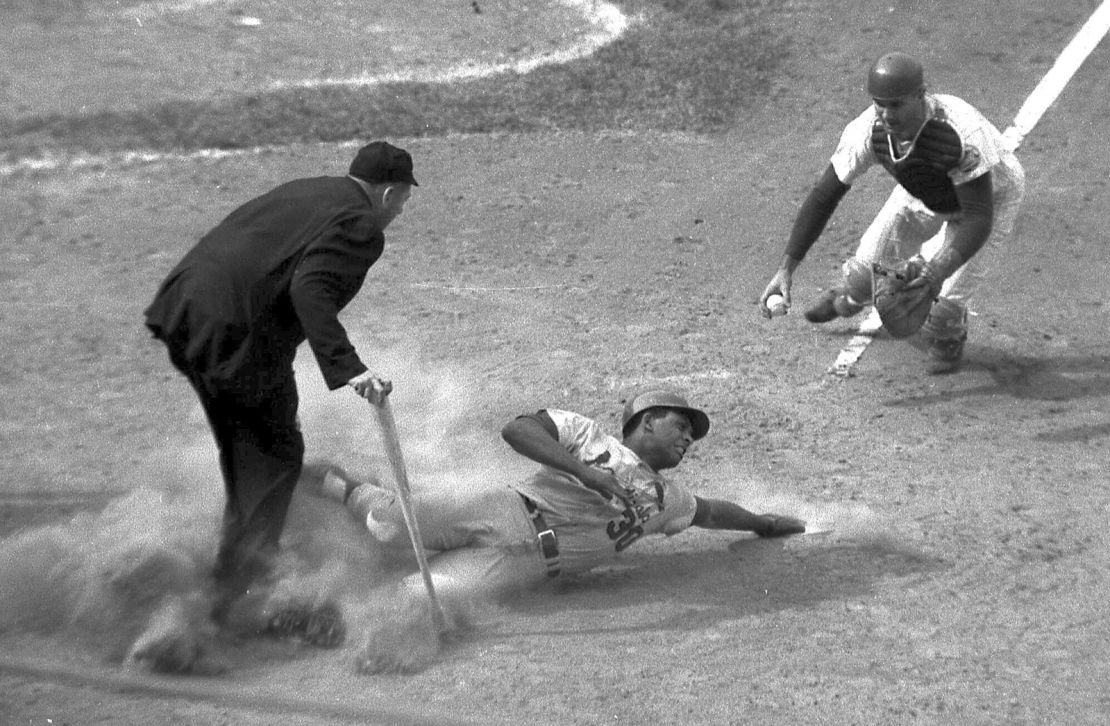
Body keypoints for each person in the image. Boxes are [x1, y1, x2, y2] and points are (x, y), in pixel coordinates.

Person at [320, 389, 806, 672]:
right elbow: (518, 431)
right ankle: (331, 482)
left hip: (524, 566)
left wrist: (763, 523)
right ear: (648, 421)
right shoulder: (587, 433)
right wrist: (588, 472)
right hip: (503, 507)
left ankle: (312, 612)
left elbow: (712, 513)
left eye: (691, 438)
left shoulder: (667, 498)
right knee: (387, 521)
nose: (687, 440)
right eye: (681, 426)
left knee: (419, 596)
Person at [143, 141, 415, 641]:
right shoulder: (362, 226)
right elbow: (310, 289)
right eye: (401, 201)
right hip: (236, 332)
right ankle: (238, 599)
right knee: (275, 455)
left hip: (184, 307)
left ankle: (224, 582)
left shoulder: (309, 191)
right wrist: (348, 367)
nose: (399, 211)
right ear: (388, 193)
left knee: (252, 452)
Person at [759, 52, 1025, 374]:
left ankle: (949, 335)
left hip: (991, 198)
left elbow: (978, 216)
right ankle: (851, 299)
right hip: (924, 191)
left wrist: (937, 270)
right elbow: (823, 195)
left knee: (941, 309)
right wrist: (785, 269)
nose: (886, 114)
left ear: (920, 94)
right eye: (879, 103)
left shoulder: (960, 135)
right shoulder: (868, 132)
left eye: (896, 104)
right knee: (864, 275)